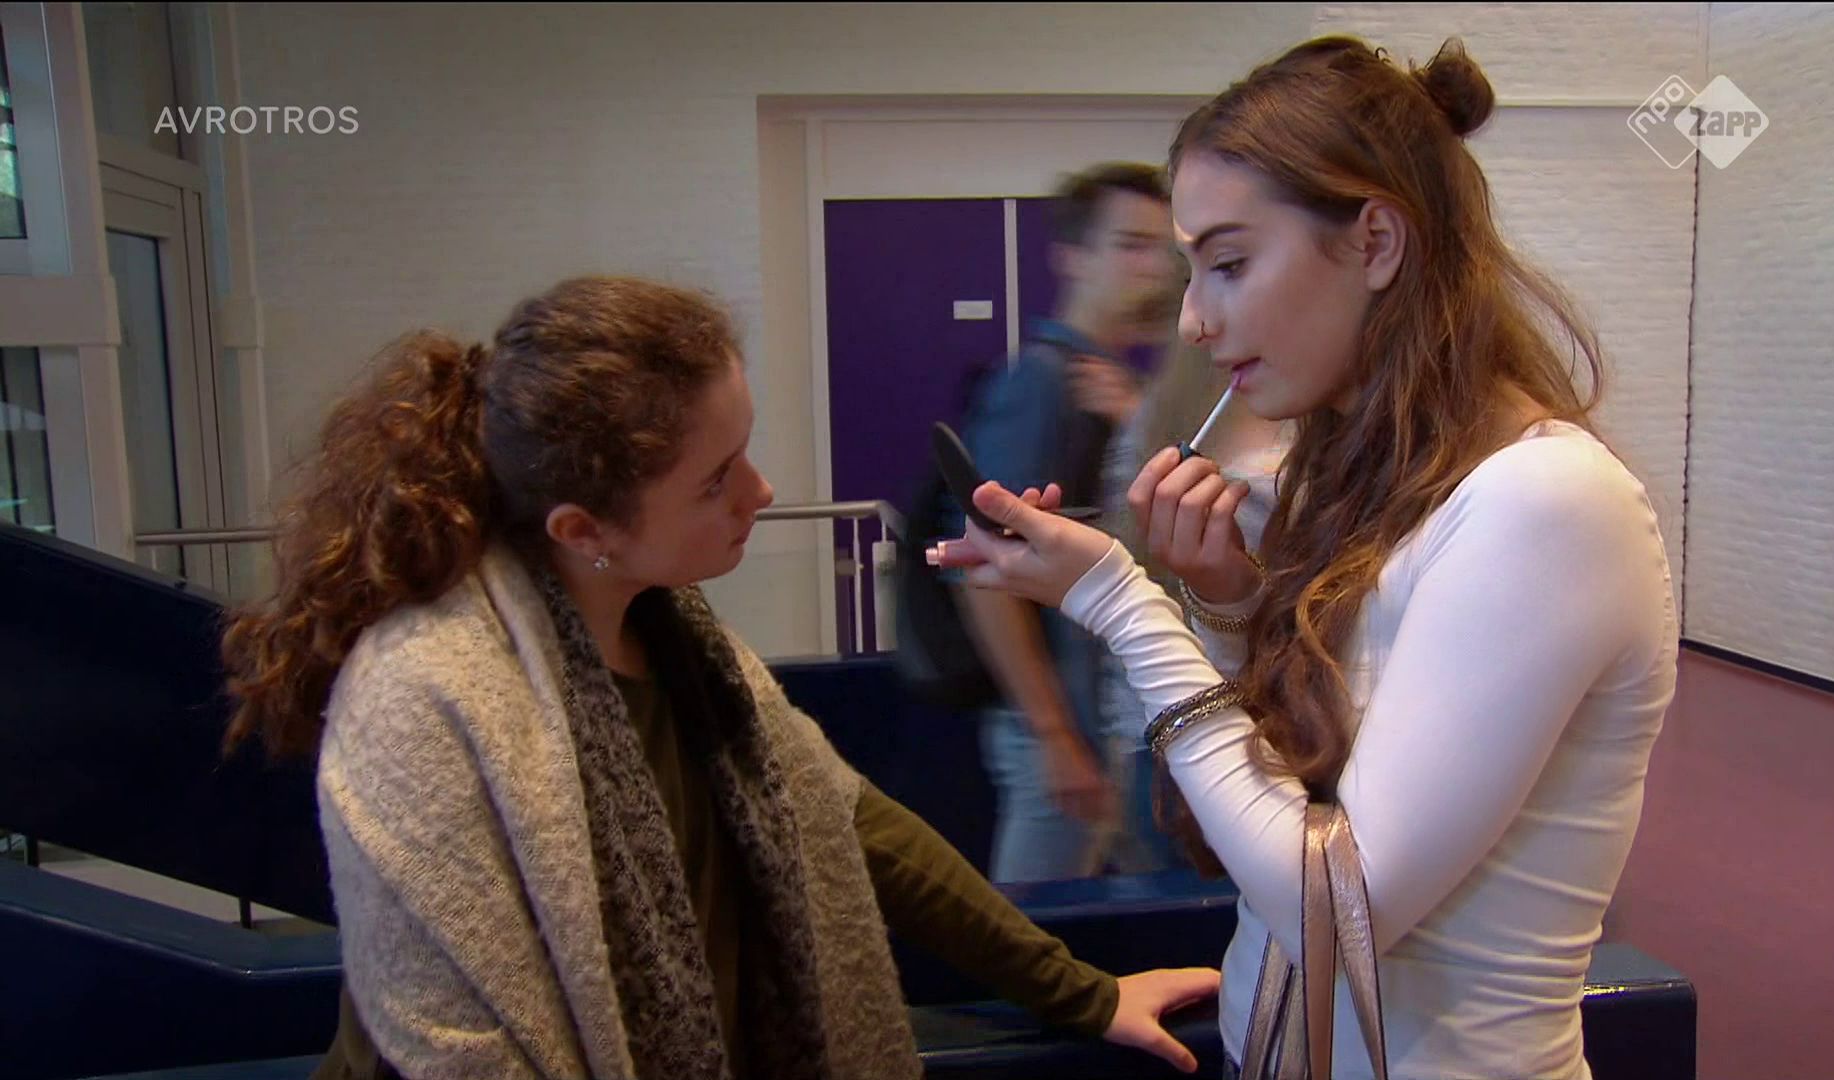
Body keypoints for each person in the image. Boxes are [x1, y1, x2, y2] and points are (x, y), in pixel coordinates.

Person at [218, 276, 1219, 1080]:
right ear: (585, 529)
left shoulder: (676, 637)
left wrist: (1081, 992)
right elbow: (454, 1044)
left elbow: (849, 821)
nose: (761, 491)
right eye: (715, 479)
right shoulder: (420, 696)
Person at [932, 36, 1679, 1080]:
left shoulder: (1546, 504)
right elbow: (1277, 806)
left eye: (1230, 265)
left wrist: (1123, 602)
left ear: (1375, 242)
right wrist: (1225, 605)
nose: (1194, 320)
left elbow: (1339, 908)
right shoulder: (1351, 486)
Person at [954, 161, 1183, 883]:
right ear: (1074, 256)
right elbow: (984, 572)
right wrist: (1055, 737)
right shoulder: (1042, 385)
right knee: (1035, 932)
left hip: (1105, 721)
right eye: (1130, 246)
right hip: (1059, 729)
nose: (1154, 269)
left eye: (1162, 250)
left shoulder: (1116, 386)